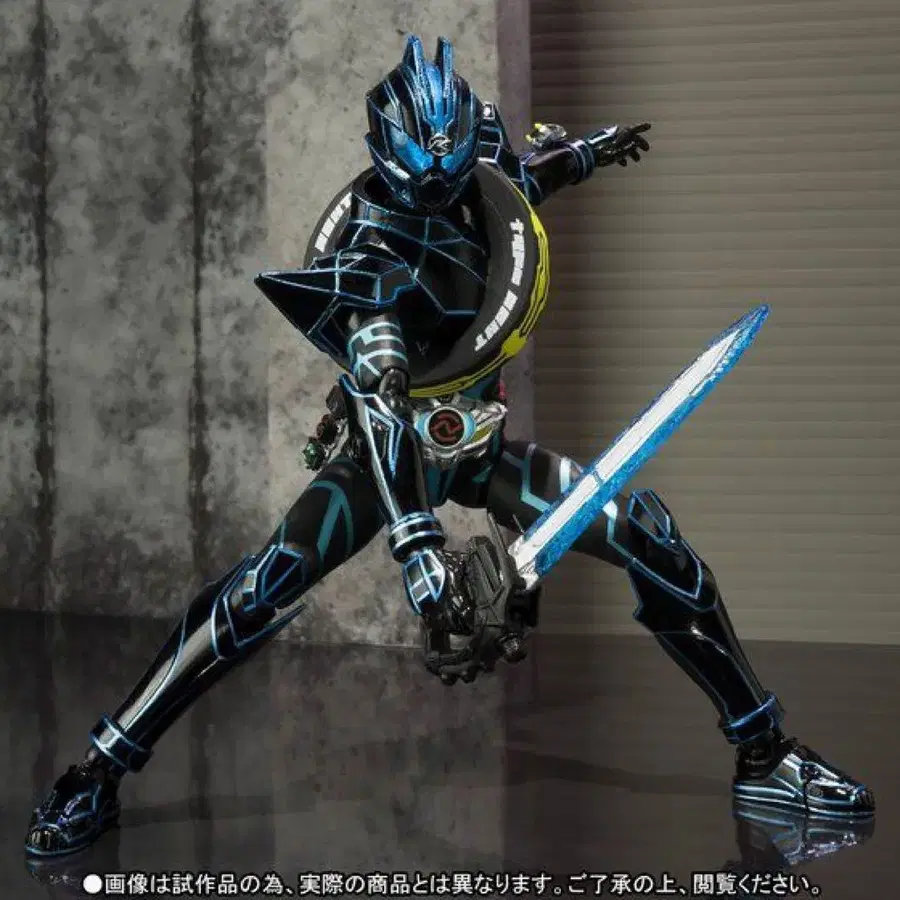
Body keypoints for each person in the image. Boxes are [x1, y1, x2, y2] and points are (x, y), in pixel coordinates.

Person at [26, 34, 873, 858]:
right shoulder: (368, 260)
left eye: (454, 174)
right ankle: (98, 770)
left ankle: (765, 755)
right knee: (262, 587)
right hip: (383, 462)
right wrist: (420, 551)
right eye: (424, 182)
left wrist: (589, 152)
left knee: (653, 543)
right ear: (386, 155)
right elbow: (383, 407)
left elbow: (527, 181)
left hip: (476, 449)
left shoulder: (477, 184)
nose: (440, 194)